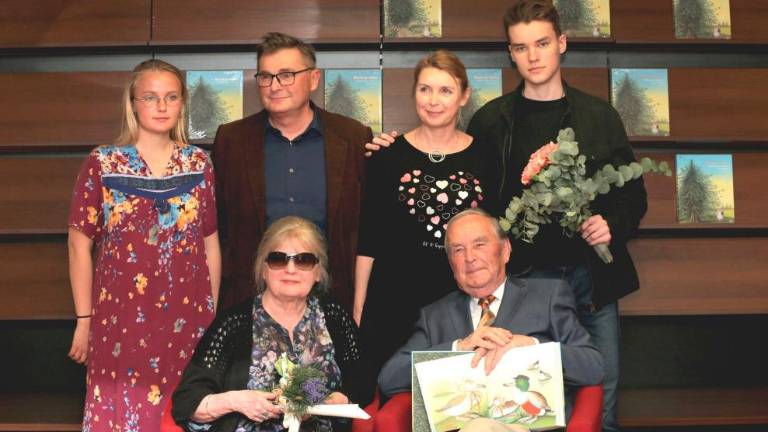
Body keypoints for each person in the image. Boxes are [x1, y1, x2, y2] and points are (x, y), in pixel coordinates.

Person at [368, 2, 647, 429]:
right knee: (510, 400)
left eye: (542, 43)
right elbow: (460, 178)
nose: (533, 56)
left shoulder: (599, 116)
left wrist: (612, 224)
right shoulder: (492, 121)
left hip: (590, 281)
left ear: (562, 44)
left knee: (600, 402)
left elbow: (633, 195)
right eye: (521, 47)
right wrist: (396, 150)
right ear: (511, 53)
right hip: (525, 285)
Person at [67, 59, 220, 431]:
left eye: (171, 97)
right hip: (120, 320)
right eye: (150, 97)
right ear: (133, 103)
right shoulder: (103, 163)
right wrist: (84, 320)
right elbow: (78, 244)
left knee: (187, 408)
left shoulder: (198, 162)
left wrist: (212, 314)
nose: (162, 106)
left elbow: (210, 243)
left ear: (182, 103)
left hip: (187, 319)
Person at [354, 50, 497, 400]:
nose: (434, 101)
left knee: (457, 401)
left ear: (464, 96)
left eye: (445, 91)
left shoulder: (486, 157)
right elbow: (369, 239)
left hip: (460, 303)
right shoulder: (386, 156)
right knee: (393, 398)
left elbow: (496, 241)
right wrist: (359, 310)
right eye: (425, 89)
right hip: (393, 304)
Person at [213, 32, 372, 312]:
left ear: (314, 79)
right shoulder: (231, 140)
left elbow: (367, 228)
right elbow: (219, 228)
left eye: (286, 75)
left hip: (333, 302)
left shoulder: (354, 138)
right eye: (266, 76)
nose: (274, 86)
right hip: (250, 303)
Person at [378, 209, 603, 404]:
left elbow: (593, 367)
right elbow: (389, 380)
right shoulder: (435, 315)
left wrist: (532, 347)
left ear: (505, 250)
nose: (469, 258)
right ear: (451, 264)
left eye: (479, 244)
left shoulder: (548, 296)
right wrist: (458, 348)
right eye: (458, 250)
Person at [172, 216, 363, 431]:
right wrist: (236, 401)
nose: (291, 269)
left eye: (303, 260)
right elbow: (187, 402)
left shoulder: (335, 316)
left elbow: (363, 380)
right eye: (278, 259)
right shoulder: (232, 324)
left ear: (318, 272)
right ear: (263, 270)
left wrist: (338, 399)